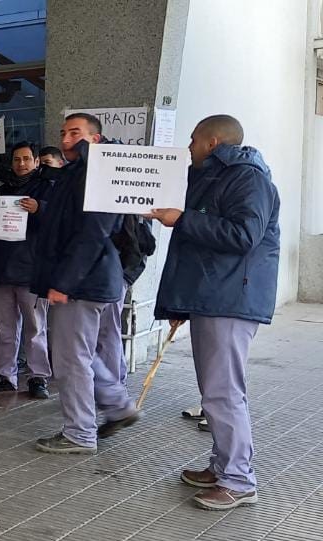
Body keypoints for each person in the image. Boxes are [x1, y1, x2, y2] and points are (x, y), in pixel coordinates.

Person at [146, 114, 280, 511]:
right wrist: (182, 304)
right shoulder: (219, 178)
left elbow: (243, 236)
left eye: (192, 140)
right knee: (215, 392)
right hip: (214, 297)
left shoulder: (248, 178)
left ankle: (239, 480)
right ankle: (222, 466)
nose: (188, 147)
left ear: (212, 141)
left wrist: (184, 219)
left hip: (231, 300)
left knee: (223, 393)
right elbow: (202, 246)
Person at [31, 113, 138, 455]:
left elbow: (93, 233)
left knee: (70, 359)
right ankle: (118, 406)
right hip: (88, 279)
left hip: (82, 282)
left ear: (95, 137)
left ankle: (79, 433)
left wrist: (64, 282)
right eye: (62, 132)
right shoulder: (78, 172)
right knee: (80, 354)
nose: (65, 139)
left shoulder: (97, 172)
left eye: (74, 133)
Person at [0, 142, 52, 398]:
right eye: (17, 159)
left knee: (35, 328)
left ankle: (38, 377)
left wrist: (41, 209)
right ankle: (3, 375)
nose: (21, 164)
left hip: (33, 272)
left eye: (27, 159)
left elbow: (62, 224)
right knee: (5, 327)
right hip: (1, 269)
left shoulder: (48, 191)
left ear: (36, 161)